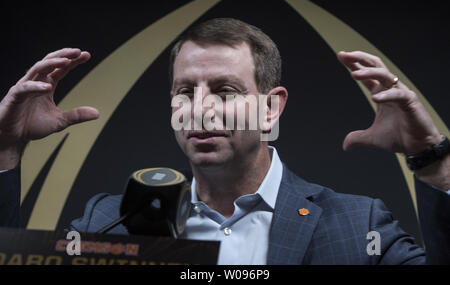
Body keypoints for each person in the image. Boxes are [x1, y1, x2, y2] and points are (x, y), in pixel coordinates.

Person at [0, 18, 449, 264]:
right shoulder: (111, 222)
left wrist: (433, 164)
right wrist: (5, 149)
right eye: (184, 91)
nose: (200, 107)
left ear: (271, 108)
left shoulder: (358, 225)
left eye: (224, 90)